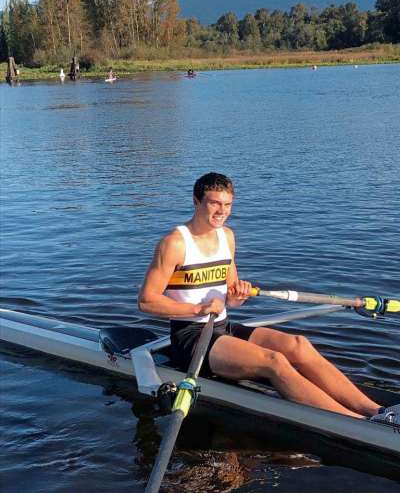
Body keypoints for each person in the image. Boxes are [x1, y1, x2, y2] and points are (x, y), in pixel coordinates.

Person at [138, 172, 399, 424]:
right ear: (196, 202)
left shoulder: (226, 236)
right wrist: (197, 308)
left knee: (298, 344)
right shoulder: (174, 243)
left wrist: (237, 295)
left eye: (227, 204)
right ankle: (357, 423)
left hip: (222, 327)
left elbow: (231, 296)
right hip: (191, 338)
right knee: (275, 362)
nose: (221, 211)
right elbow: (147, 300)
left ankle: (377, 411)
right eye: (214, 203)